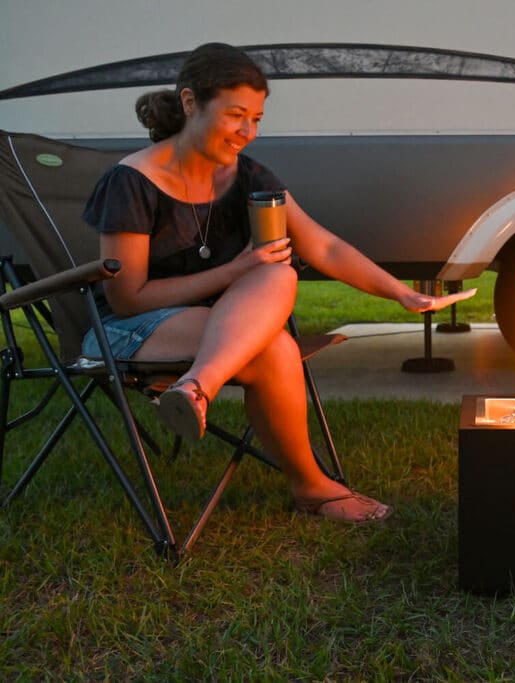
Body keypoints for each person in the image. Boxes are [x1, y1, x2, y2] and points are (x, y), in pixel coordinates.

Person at [81, 43, 462, 523]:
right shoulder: (132, 182)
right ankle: (311, 488)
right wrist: (235, 270)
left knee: (279, 270)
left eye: (257, 119)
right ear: (190, 103)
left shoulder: (248, 177)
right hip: (126, 328)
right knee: (275, 345)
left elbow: (322, 247)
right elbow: (126, 296)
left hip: (217, 323)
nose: (248, 131)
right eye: (236, 115)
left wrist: (400, 292)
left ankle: (196, 387)